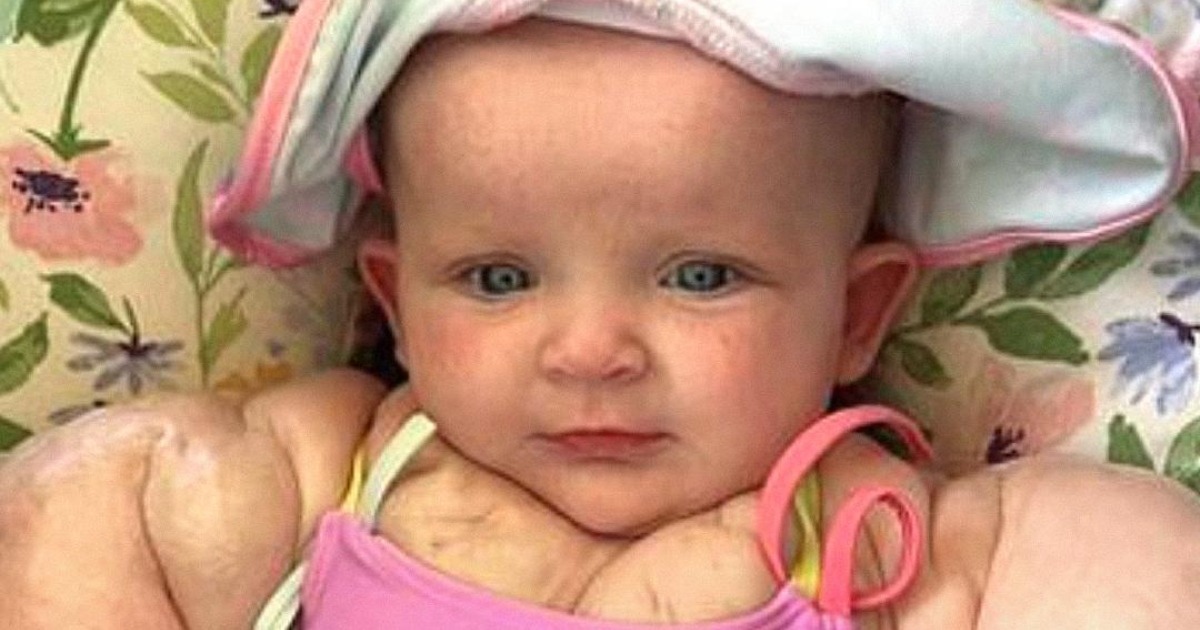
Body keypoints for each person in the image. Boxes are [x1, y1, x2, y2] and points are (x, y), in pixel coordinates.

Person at [3, 1, 1200, 628]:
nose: (589, 353)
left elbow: (1126, 567)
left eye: (700, 277)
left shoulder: (880, 537)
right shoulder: (344, 466)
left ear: (857, 313)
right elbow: (97, 512)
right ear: (394, 303)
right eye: (498, 279)